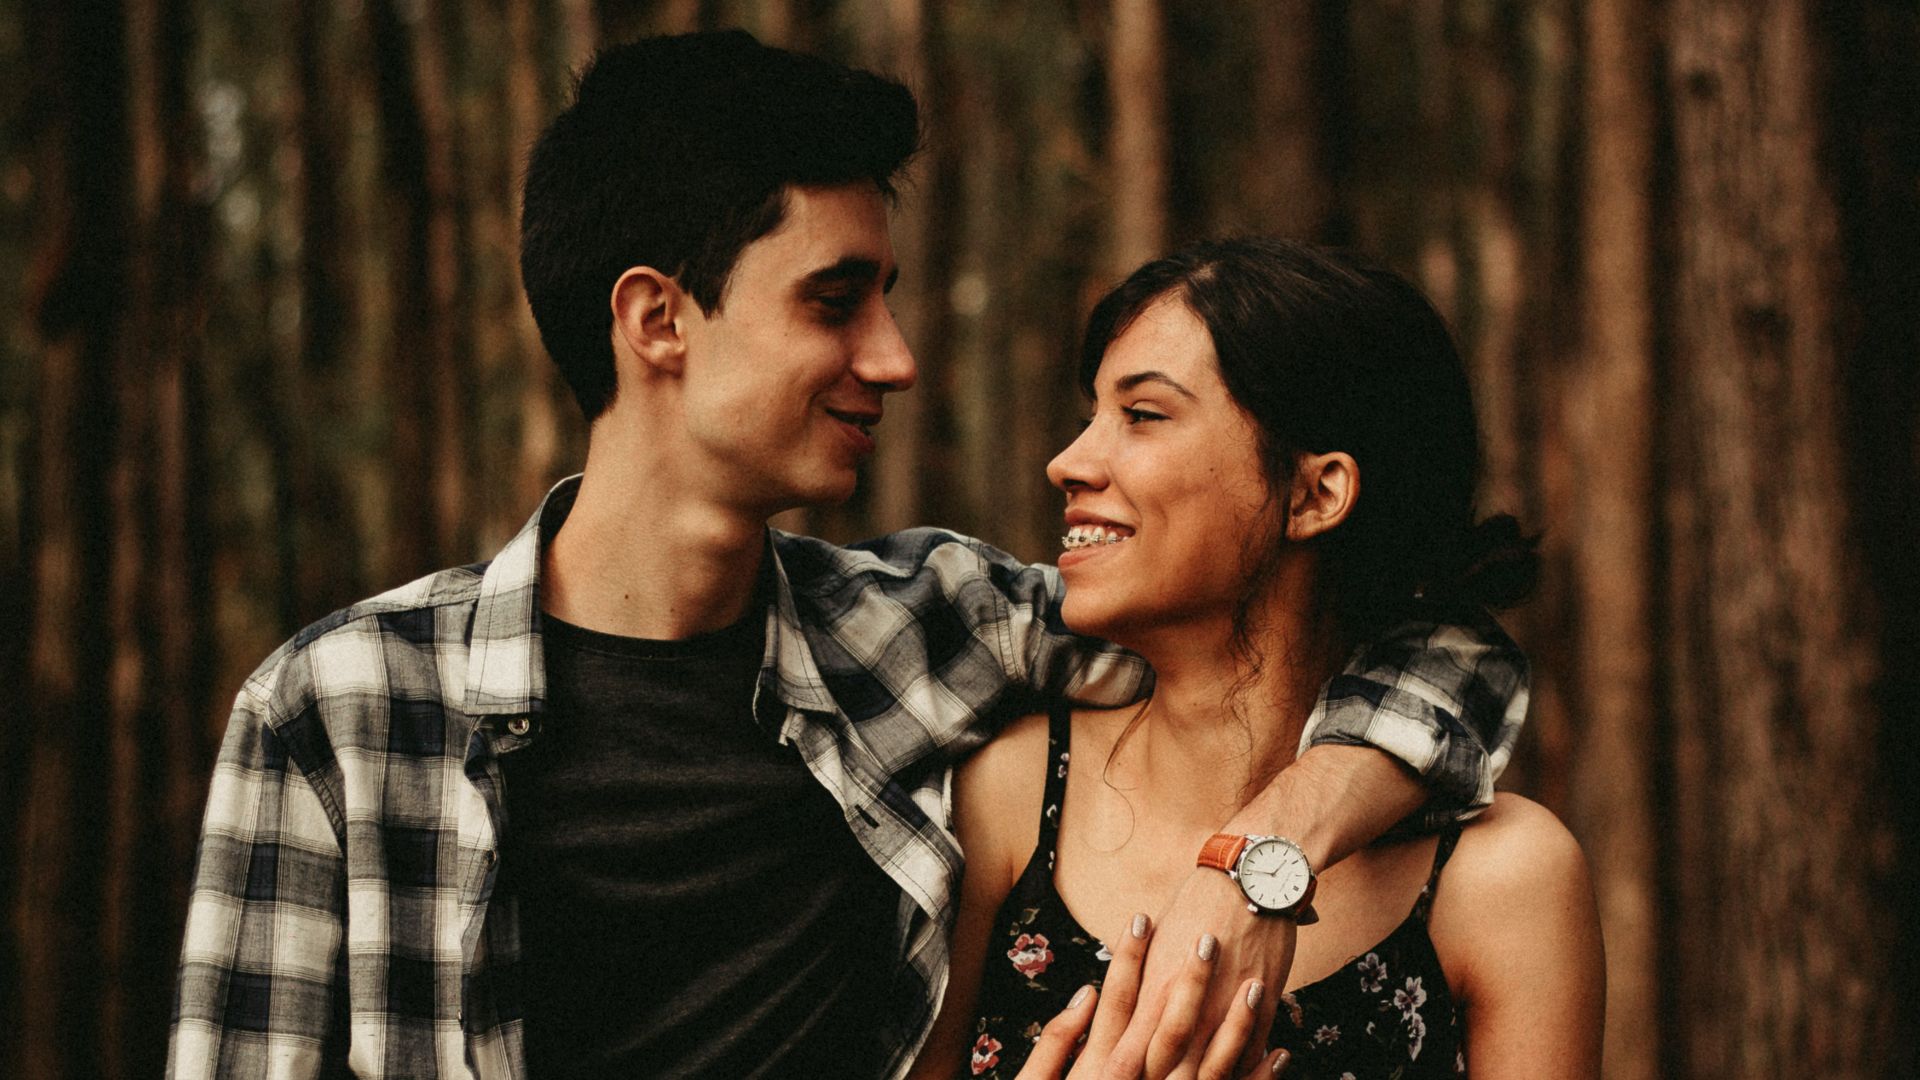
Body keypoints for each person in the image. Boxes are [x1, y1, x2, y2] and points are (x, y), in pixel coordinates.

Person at [167, 33, 1532, 1080]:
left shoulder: (917, 635)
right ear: (658, 321)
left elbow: (1409, 636)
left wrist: (1260, 860)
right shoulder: (340, 714)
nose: (894, 358)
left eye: (886, 297)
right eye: (836, 302)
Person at [910, 239, 1604, 1079]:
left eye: (1143, 415)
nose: (1069, 461)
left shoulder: (1502, 881)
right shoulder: (1008, 799)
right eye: (1092, 413)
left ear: (1315, 495)